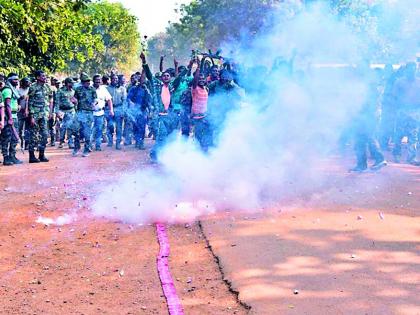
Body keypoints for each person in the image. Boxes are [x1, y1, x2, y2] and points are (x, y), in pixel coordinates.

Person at [140, 52, 177, 162]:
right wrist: (144, 61)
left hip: (169, 116)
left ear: (170, 78)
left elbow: (179, 78)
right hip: (158, 116)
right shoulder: (156, 85)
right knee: (162, 136)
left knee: (169, 136)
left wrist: (176, 66)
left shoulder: (171, 86)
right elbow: (149, 74)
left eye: (168, 76)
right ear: (161, 78)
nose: (166, 77)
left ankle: (165, 154)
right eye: (164, 76)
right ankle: (154, 155)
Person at [350, 70, 387, 172]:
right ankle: (362, 165)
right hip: (367, 116)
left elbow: (366, 104)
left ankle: (379, 159)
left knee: (367, 137)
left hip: (368, 117)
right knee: (361, 139)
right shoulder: (372, 86)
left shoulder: (371, 87)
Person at [392, 62, 420, 165]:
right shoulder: (399, 82)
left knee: (414, 135)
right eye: (411, 69)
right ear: (406, 70)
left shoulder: (419, 81)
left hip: (416, 111)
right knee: (399, 133)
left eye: (415, 69)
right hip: (402, 110)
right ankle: (396, 154)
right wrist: (397, 109)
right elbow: (394, 97)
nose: (413, 71)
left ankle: (411, 158)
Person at [27, 70, 53, 163]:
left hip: (44, 114)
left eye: (45, 76)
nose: (44, 77)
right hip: (35, 114)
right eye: (42, 76)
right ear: (38, 77)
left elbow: (50, 99)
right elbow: (29, 102)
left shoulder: (47, 87)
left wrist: (50, 112)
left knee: (45, 134)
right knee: (34, 135)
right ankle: (32, 156)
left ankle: (41, 155)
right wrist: (31, 116)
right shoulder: (33, 87)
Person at [73, 72, 97, 157]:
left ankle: (86, 150)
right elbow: (75, 98)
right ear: (82, 82)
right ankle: (77, 147)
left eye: (89, 81)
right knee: (76, 131)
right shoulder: (78, 89)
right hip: (80, 113)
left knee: (87, 132)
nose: (88, 82)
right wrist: (74, 100)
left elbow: (95, 99)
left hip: (89, 113)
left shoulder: (92, 89)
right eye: (86, 81)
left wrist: (94, 104)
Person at [1, 74, 22, 165]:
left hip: (14, 115)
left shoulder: (14, 90)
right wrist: (9, 118)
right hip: (8, 117)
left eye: (17, 79)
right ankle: (6, 157)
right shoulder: (7, 90)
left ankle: (12, 156)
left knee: (15, 138)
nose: (17, 81)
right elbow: (7, 105)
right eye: (14, 79)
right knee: (6, 138)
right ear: (9, 80)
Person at [127, 73, 151, 150]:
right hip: (134, 111)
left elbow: (149, 101)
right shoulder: (133, 89)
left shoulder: (146, 90)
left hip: (143, 111)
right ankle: (137, 141)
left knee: (142, 127)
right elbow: (128, 98)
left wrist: (150, 110)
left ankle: (141, 142)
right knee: (135, 127)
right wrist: (131, 104)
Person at [191, 59, 211, 151]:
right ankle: (196, 153)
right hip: (197, 117)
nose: (201, 80)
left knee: (206, 135)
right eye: (199, 79)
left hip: (205, 116)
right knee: (198, 136)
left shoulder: (206, 88)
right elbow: (195, 80)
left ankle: (204, 151)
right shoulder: (195, 88)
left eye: (203, 78)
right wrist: (198, 67)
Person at [56, 78, 78, 149]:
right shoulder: (60, 91)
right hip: (62, 111)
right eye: (71, 83)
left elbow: (76, 102)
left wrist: (76, 104)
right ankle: (61, 141)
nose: (73, 84)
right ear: (68, 83)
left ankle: (70, 142)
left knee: (70, 127)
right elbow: (57, 102)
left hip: (71, 111)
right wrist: (57, 112)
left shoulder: (73, 92)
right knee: (63, 128)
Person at [92, 74, 113, 151]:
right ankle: (89, 145)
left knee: (99, 130)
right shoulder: (90, 89)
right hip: (91, 113)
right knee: (91, 130)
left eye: (99, 80)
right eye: (96, 80)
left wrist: (111, 110)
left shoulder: (103, 89)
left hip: (100, 113)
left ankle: (98, 146)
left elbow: (109, 99)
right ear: (93, 81)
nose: (98, 81)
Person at [106, 74, 125, 149]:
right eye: (113, 79)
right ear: (111, 79)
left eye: (116, 79)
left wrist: (123, 111)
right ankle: (110, 141)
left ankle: (118, 143)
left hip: (119, 108)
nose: (115, 80)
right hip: (109, 109)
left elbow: (124, 100)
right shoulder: (107, 89)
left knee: (119, 127)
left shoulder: (122, 89)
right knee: (110, 125)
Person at [18, 77, 31, 150]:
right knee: (19, 128)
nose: (28, 83)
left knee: (28, 129)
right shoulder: (18, 90)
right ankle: (21, 143)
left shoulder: (30, 90)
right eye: (26, 82)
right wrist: (21, 97)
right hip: (20, 112)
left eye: (28, 82)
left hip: (29, 112)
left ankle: (27, 144)